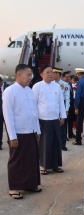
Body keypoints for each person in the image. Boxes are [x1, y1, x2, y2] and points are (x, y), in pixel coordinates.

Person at [3, 64, 41, 199]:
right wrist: (12, 136)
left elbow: (34, 113)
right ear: (18, 75)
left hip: (30, 131)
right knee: (17, 160)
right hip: (18, 132)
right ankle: (14, 187)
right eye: (28, 75)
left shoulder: (30, 91)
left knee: (31, 159)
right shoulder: (10, 91)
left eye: (31, 75)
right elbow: (8, 115)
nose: (30, 77)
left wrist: (37, 131)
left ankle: (30, 184)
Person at [32, 65, 67, 175]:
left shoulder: (57, 86)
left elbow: (61, 102)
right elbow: (34, 104)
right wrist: (36, 120)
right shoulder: (37, 87)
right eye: (47, 72)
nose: (50, 74)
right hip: (43, 119)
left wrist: (62, 116)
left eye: (51, 72)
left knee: (56, 143)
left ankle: (55, 165)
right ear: (41, 74)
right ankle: (43, 166)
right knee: (45, 143)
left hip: (55, 119)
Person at [53, 67, 70, 151]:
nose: (52, 75)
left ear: (58, 74)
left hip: (62, 105)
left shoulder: (64, 84)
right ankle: (55, 143)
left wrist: (66, 109)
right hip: (53, 105)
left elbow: (67, 98)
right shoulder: (51, 84)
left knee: (62, 126)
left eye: (54, 73)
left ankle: (63, 144)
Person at [73, 68, 84, 145]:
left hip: (82, 102)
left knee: (79, 122)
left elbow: (78, 95)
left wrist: (76, 107)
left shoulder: (80, 82)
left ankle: (78, 140)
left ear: (79, 74)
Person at [62, 71, 76, 139]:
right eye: (66, 77)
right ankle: (64, 135)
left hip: (71, 105)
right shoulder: (62, 84)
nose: (68, 78)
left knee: (71, 120)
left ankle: (70, 133)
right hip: (65, 105)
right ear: (63, 77)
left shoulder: (70, 84)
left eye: (69, 77)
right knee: (65, 122)